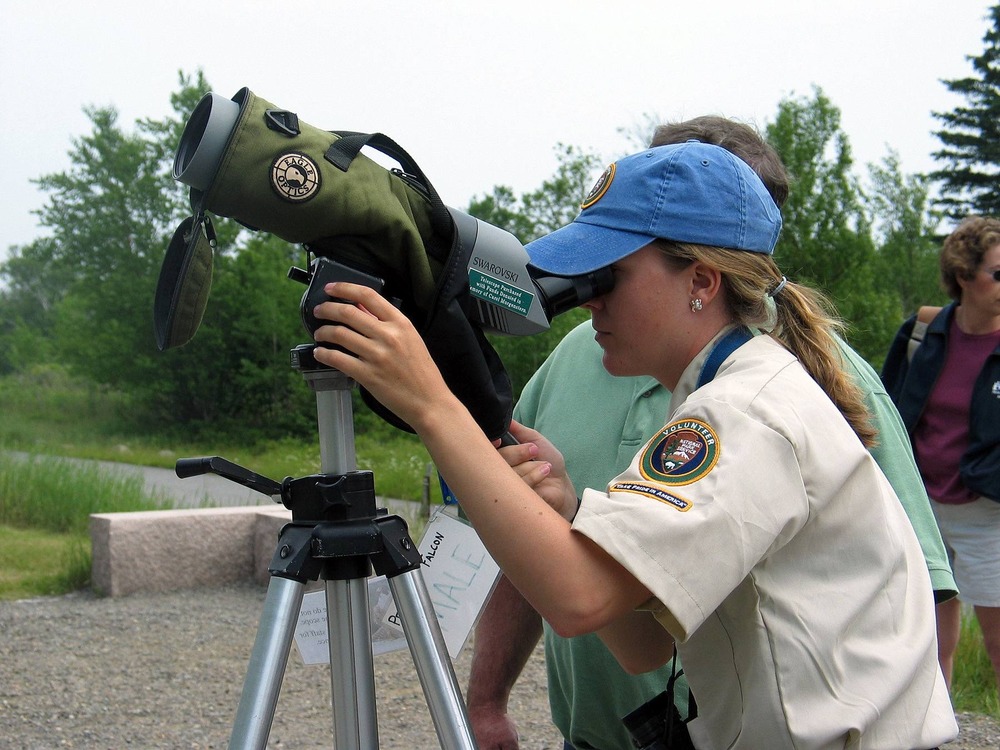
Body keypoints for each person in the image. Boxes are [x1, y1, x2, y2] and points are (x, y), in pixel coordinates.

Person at [311, 141, 957, 748]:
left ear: (701, 282)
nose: (588, 300)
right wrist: (568, 515)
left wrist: (431, 403)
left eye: (606, 275)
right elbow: (641, 643)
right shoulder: (732, 390)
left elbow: (575, 598)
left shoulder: (744, 413)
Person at [882, 215, 1000, 690]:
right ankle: (937, 728)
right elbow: (883, 406)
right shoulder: (924, 333)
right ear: (965, 275)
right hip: (922, 506)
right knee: (929, 638)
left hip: (985, 511)